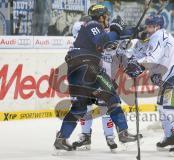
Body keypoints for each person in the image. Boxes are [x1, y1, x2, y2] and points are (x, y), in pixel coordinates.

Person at [53, 4, 139, 152]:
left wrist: (134, 31)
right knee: (112, 96)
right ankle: (123, 132)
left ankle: (61, 139)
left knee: (79, 108)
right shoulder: (93, 24)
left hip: (76, 72)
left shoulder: (90, 31)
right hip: (87, 67)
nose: (108, 19)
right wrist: (116, 30)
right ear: (101, 16)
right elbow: (103, 40)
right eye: (106, 16)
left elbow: (110, 41)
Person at [125, 14, 174, 156]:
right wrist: (134, 59)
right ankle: (170, 137)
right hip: (169, 78)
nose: (147, 29)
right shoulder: (155, 36)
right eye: (147, 26)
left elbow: (152, 58)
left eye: (150, 26)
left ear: (158, 26)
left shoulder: (157, 36)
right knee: (162, 107)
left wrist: (138, 65)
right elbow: (146, 54)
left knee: (172, 109)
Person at [69, 16, 117, 152]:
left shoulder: (102, 33)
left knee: (105, 107)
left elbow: (115, 50)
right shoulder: (84, 37)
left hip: (103, 77)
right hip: (87, 77)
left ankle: (110, 137)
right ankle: (85, 136)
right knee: (86, 106)